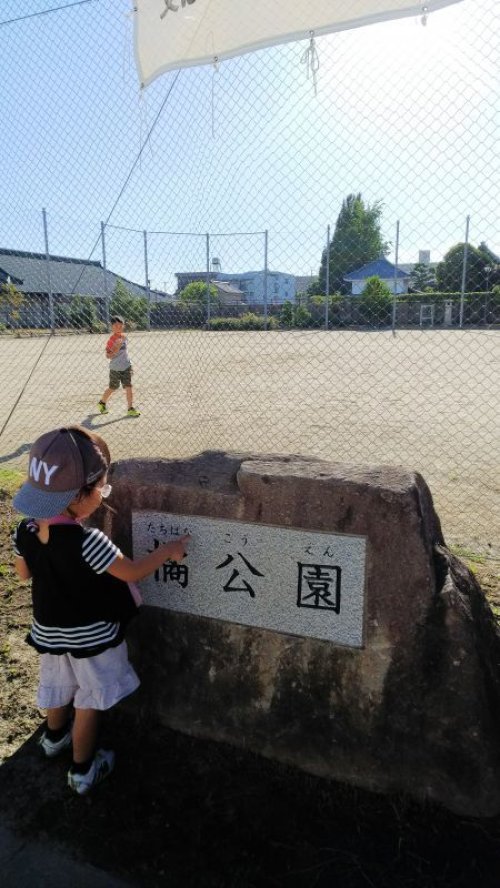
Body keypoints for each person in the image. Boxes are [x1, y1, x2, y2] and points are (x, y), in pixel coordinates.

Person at [12, 425, 189, 795]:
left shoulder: (25, 531)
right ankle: (82, 770)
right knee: (88, 701)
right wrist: (167, 551)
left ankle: (52, 738)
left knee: (58, 685)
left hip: (48, 631)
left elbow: (23, 572)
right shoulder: (88, 541)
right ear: (81, 495)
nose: (103, 496)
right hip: (91, 636)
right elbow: (132, 571)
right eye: (102, 489)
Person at [97, 314, 140, 417]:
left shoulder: (124, 337)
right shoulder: (111, 340)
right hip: (115, 368)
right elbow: (108, 356)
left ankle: (130, 408)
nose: (119, 328)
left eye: (121, 325)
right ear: (112, 326)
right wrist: (116, 347)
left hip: (126, 367)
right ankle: (102, 402)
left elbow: (125, 353)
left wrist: (130, 365)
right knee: (113, 387)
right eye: (116, 326)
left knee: (129, 387)